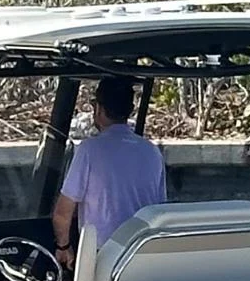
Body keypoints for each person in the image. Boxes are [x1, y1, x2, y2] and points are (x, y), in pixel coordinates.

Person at [52, 77, 166, 270]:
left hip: (103, 258)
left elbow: (62, 214)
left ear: (98, 109)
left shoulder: (89, 150)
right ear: (129, 111)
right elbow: (160, 210)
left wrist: (63, 247)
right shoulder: (152, 151)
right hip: (141, 257)